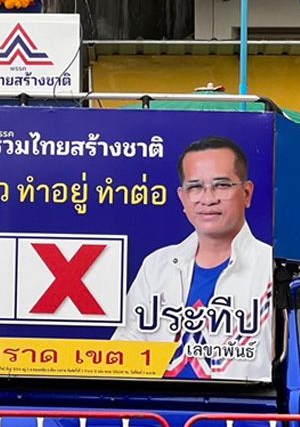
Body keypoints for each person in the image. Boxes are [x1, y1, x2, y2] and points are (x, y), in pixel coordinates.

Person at [112, 137, 274, 382]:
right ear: (183, 198)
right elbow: (125, 349)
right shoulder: (157, 266)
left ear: (247, 193)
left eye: (222, 185)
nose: (208, 199)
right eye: (195, 187)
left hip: (242, 416)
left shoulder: (272, 269)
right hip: (158, 416)